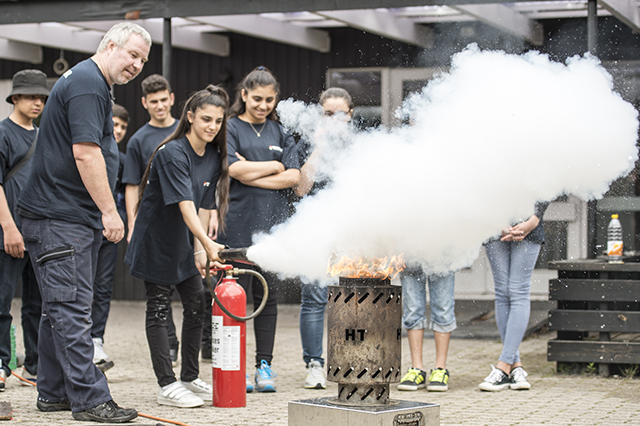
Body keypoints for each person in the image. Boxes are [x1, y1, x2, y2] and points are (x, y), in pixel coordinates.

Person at [16, 22, 151, 423]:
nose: (137, 65)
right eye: (132, 55)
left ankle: (53, 392)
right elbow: (86, 154)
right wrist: (111, 212)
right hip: (61, 217)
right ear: (110, 45)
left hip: (62, 215)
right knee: (72, 308)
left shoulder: (87, 80)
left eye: (143, 60)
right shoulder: (90, 84)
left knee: (56, 308)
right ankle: (91, 399)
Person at [124, 85, 229, 408]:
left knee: (197, 302)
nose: (212, 127)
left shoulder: (212, 155)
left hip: (183, 243)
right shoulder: (171, 154)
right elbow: (184, 205)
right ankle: (166, 385)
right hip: (155, 242)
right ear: (190, 117)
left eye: (218, 121)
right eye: (206, 119)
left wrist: (200, 249)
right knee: (158, 307)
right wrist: (208, 243)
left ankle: (188, 377)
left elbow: (201, 205)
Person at [217, 66, 301, 393]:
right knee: (234, 297)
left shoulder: (280, 132)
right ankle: (234, 366)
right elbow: (232, 168)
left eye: (268, 100)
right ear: (244, 95)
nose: (262, 105)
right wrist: (274, 166)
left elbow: (294, 177)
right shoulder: (231, 127)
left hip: (273, 229)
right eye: (256, 99)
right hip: (237, 226)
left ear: (275, 99)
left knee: (267, 297)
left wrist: (253, 174)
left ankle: (264, 367)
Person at [293, 87, 353, 389]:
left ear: (350, 115)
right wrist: (318, 148)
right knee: (315, 299)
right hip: (314, 231)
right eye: (328, 113)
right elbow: (301, 188)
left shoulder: (359, 146)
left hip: (350, 233)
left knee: (350, 299)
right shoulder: (306, 142)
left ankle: (348, 358)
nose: (334, 119)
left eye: (340, 113)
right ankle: (314, 364)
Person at [122, 74, 181, 364]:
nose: (159, 105)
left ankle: (206, 343)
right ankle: (170, 343)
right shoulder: (137, 140)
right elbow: (131, 184)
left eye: (163, 99)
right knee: (160, 288)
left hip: (185, 219)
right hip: (153, 222)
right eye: (153, 101)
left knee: (195, 290)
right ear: (145, 103)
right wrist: (133, 224)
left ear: (172, 98)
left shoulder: (186, 131)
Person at [0, 69, 49, 390]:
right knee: (2, 301)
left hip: (41, 232)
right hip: (9, 232)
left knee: (39, 305)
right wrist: (8, 228)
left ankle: (35, 365)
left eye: (41, 97)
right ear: (15, 97)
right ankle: (2, 364)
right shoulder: (3, 133)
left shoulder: (43, 135)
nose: (37, 102)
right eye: (30, 96)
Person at [478, 202, 549, 391]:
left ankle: (503, 366)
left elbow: (550, 185)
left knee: (518, 292)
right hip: (494, 225)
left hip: (529, 223)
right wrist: (497, 222)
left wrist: (533, 220)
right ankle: (515, 366)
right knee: (502, 293)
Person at [91, 104, 129, 372]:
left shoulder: (123, 160)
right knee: (81, 285)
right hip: (83, 226)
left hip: (109, 232)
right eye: (114, 124)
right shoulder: (89, 152)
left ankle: (96, 340)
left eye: (123, 127)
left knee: (103, 286)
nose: (118, 130)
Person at [397, 267, 456, 392]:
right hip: (411, 253)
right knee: (412, 309)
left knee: (443, 308)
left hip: (443, 254)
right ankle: (416, 368)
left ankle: (440, 369)